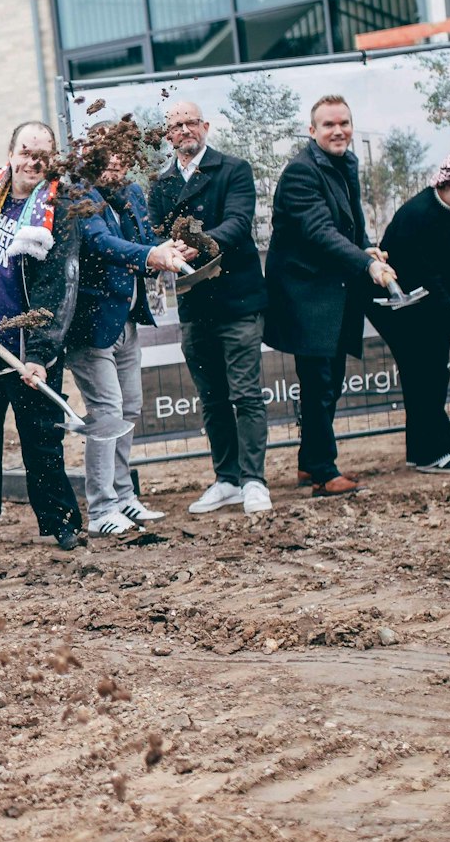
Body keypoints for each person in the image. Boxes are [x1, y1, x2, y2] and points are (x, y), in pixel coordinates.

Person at [0, 121, 88, 551]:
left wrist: (41, 352)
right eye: (26, 151)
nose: (33, 162)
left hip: (27, 352)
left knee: (42, 440)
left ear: (52, 161)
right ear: (10, 153)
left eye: (42, 155)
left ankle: (61, 522)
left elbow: (59, 287)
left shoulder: (59, 210)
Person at [264, 96, 399, 496]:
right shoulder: (300, 174)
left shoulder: (344, 164)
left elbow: (350, 223)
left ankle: (310, 462)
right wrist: (366, 264)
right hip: (306, 294)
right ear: (312, 131)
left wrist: (367, 247)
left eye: (344, 123)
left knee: (329, 380)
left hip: (334, 290)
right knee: (320, 380)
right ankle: (323, 471)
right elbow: (320, 233)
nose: (338, 130)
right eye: (328, 125)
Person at [148, 101, 268, 516]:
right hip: (194, 303)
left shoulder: (234, 169)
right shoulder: (160, 183)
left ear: (206, 126)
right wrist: (164, 249)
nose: (185, 130)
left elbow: (237, 224)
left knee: (246, 394)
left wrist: (194, 243)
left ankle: (254, 481)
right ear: (168, 136)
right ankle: (227, 480)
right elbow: (155, 233)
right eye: (176, 125)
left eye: (191, 122)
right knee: (212, 398)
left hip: (238, 299)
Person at [68, 146, 191, 535]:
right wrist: (153, 254)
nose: (115, 162)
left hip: (126, 321)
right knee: (108, 414)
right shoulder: (78, 196)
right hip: (91, 328)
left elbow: (144, 239)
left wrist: (169, 248)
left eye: (120, 155)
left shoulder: (132, 194)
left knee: (129, 409)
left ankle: (124, 498)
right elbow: (102, 244)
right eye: (105, 156)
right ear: (88, 160)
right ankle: (102, 509)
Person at [374, 143, 450, 473]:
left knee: (432, 372)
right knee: (424, 371)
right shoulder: (417, 216)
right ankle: (436, 452)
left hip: (430, 298)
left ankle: (421, 451)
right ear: (445, 184)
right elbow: (425, 276)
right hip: (400, 301)